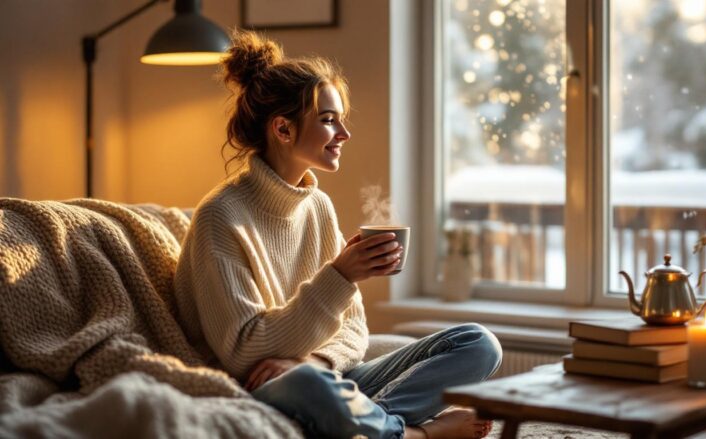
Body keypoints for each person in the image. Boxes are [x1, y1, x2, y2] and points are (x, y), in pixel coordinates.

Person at [173, 30, 502, 439]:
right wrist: (340, 277)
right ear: (283, 129)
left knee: (479, 343)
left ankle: (367, 424)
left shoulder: (318, 207)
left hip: (325, 378)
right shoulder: (220, 217)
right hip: (265, 392)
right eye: (329, 121)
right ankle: (416, 435)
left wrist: (316, 361)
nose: (344, 133)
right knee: (306, 385)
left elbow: (355, 330)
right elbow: (244, 354)